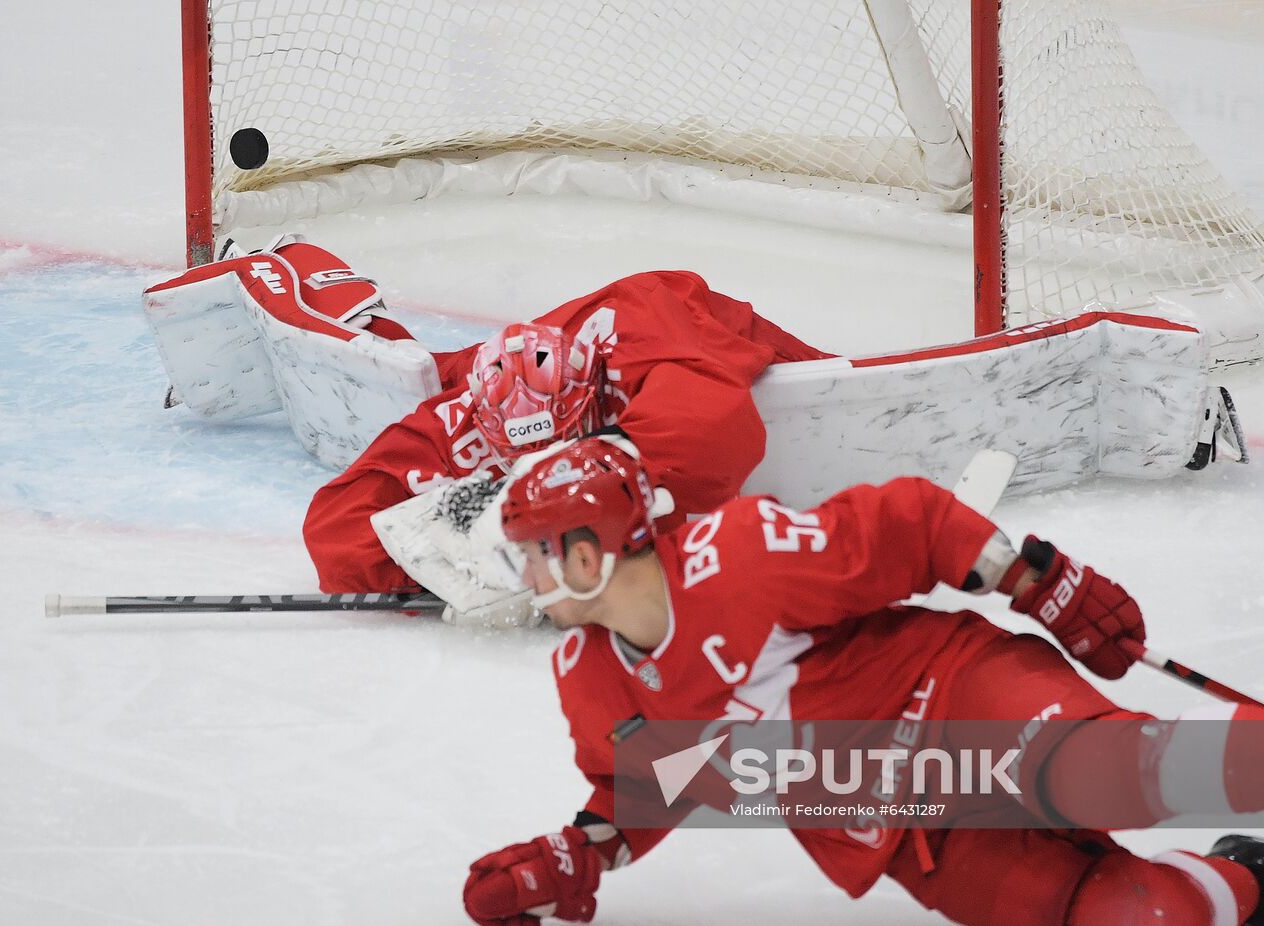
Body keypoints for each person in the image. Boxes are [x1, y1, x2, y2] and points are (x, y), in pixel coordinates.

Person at [461, 435, 1264, 926]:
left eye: (530, 552)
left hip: (949, 698)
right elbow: (648, 789)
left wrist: (1040, 584)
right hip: (894, 821)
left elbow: (910, 524)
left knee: (1109, 777)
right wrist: (577, 857)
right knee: (1136, 916)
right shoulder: (588, 678)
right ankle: (1249, 875)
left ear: (585, 554)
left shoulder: (737, 560)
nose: (522, 576)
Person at [303, 269, 831, 623]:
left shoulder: (645, 349)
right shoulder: (464, 412)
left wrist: (582, 514)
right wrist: (466, 554)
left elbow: (713, 436)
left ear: (594, 392)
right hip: (514, 366)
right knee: (418, 364)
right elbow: (335, 530)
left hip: (677, 313)